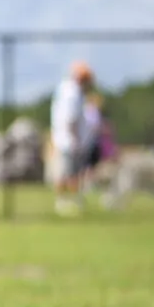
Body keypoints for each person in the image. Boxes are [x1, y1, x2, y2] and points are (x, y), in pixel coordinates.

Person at [50, 60, 96, 216]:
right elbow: (71, 119)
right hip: (69, 141)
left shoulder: (67, 90)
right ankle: (69, 203)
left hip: (65, 139)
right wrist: (76, 139)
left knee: (68, 172)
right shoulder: (72, 93)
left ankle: (68, 202)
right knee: (70, 173)